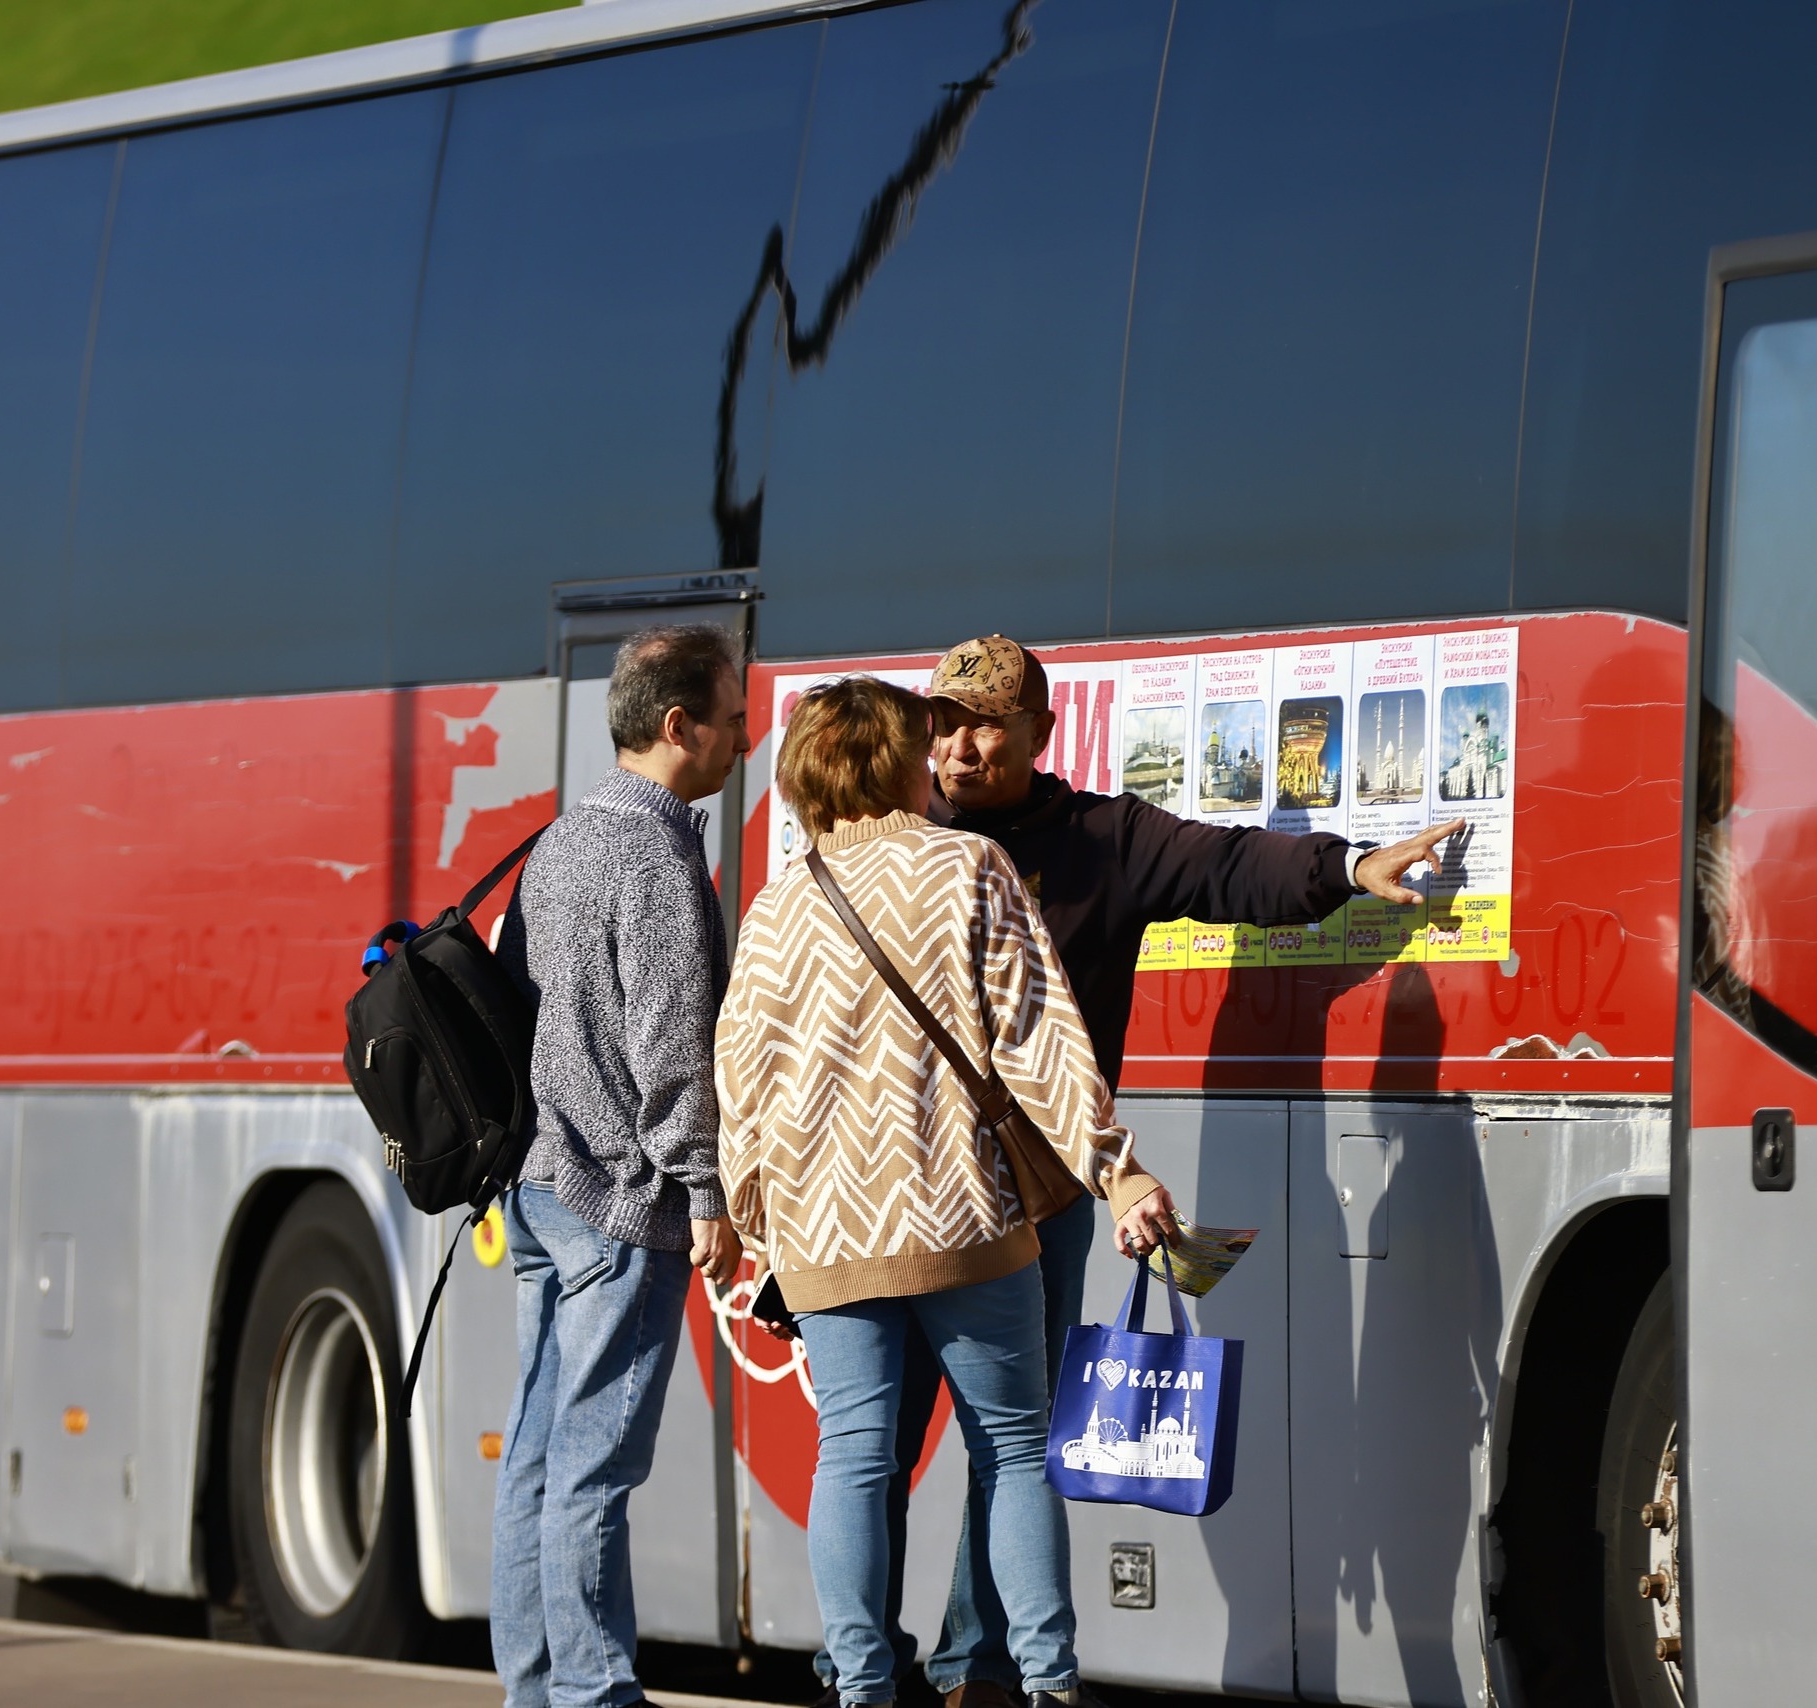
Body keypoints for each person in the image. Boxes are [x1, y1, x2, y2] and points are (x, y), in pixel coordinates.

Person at [852, 634, 1469, 1708]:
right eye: (943, 721)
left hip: (1037, 1195)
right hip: (898, 1190)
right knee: (883, 1442)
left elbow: (1230, 865)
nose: (959, 742)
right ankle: (859, 1670)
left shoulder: (1100, 836)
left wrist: (1348, 868)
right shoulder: (893, 841)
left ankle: (976, 1668)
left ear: (1043, 733)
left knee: (1009, 1446)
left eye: (987, 720)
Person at [716, 677, 1181, 1708]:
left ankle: (864, 1686)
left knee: (855, 1455)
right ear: (899, 760)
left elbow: (738, 1086)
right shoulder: (971, 868)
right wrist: (1114, 1166)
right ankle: (1050, 1682)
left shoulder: (778, 905)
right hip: (964, 1216)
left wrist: (765, 1225)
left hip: (829, 1233)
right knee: (1013, 1447)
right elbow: (1038, 1043)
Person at [490, 624, 750, 1708]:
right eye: (732, 715)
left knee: (540, 1458)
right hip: (619, 1201)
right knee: (594, 1467)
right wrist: (704, 1192)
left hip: (543, 1186)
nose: (748, 733)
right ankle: (595, 1693)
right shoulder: (655, 853)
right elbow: (673, 1046)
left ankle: (535, 1687)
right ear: (678, 725)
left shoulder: (558, 840)